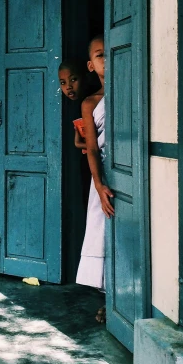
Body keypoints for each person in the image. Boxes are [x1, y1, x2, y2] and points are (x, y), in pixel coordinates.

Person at [75, 36, 114, 322]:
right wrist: (99, 185)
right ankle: (109, 301)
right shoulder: (90, 103)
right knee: (103, 233)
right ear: (91, 65)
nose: (107, 59)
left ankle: (125, 297)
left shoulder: (130, 91)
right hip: (102, 175)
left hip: (130, 171)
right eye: (101, 55)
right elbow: (91, 148)